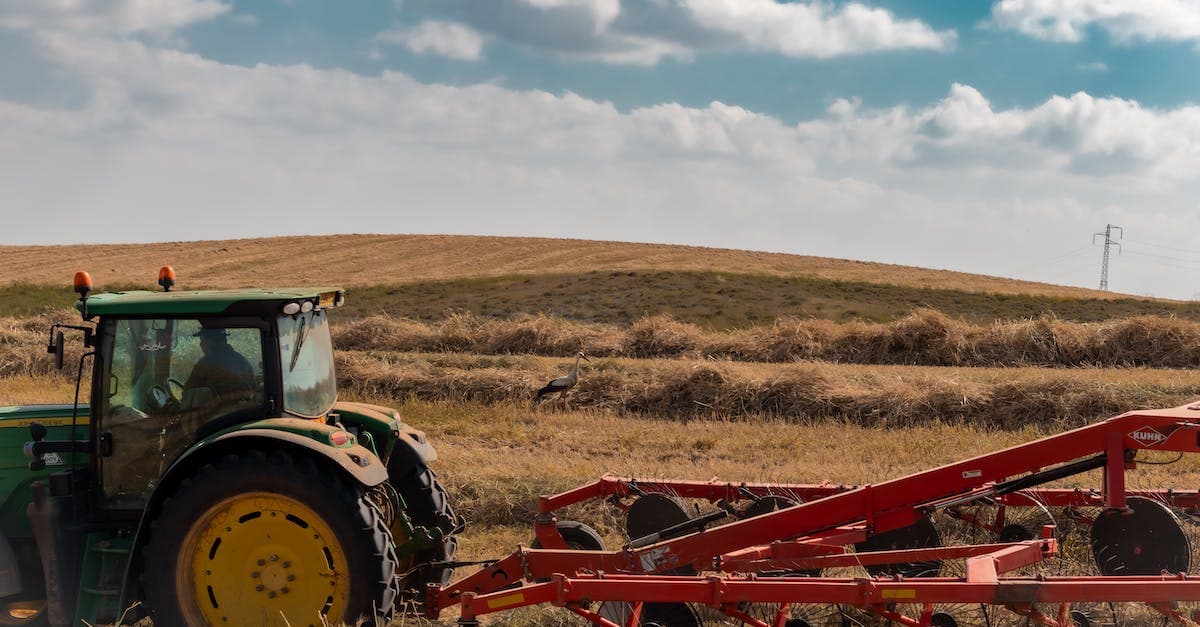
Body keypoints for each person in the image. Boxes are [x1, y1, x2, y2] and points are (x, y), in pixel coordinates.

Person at [183, 328, 256, 406]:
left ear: (209, 342)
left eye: (202, 340)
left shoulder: (205, 364)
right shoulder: (243, 362)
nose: (200, 345)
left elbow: (188, 391)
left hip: (216, 414)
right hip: (243, 412)